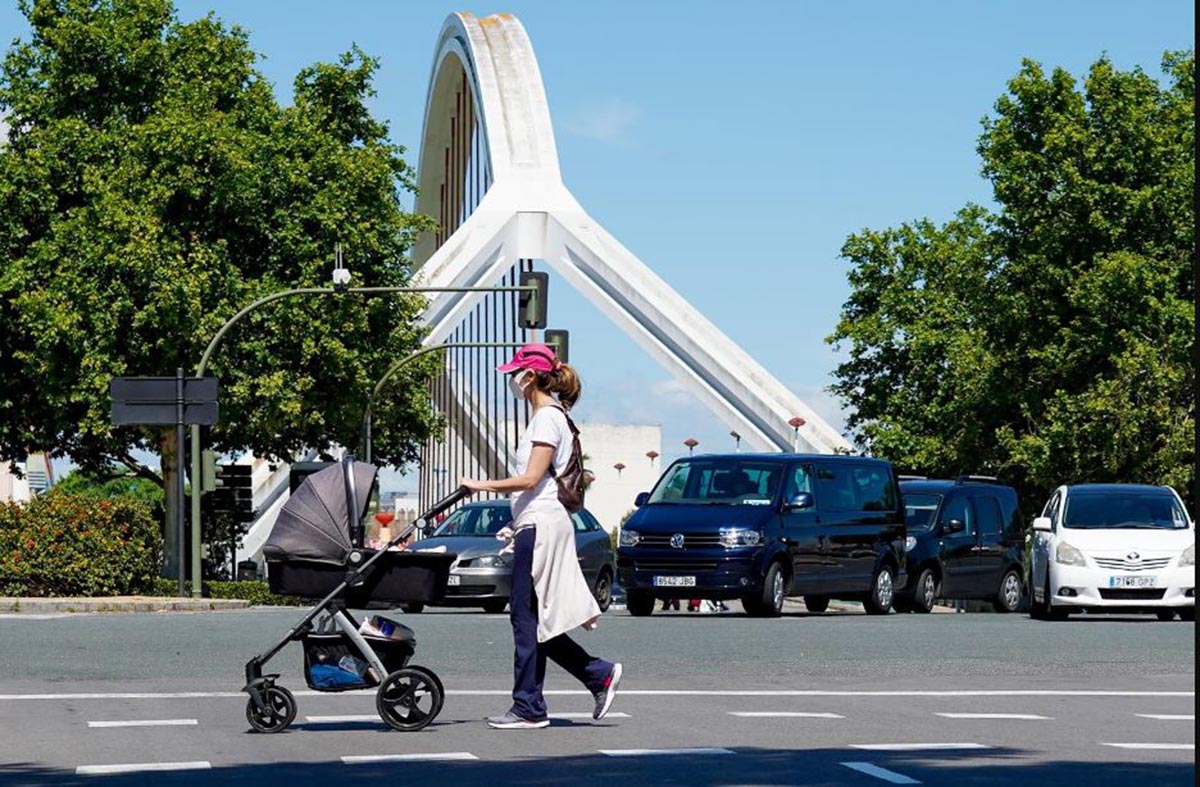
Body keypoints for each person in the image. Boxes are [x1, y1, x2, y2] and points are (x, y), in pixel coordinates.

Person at [461, 343, 623, 730]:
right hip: (538, 524)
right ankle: (592, 676)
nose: (512, 381)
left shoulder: (546, 418)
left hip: (542, 526)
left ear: (530, 376)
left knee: (524, 617)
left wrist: (478, 484)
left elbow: (531, 479)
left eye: (515, 373)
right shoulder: (552, 416)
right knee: (531, 619)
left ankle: (530, 706)